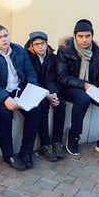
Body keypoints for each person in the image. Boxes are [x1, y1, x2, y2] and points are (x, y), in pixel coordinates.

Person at [56, 19, 99, 160]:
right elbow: (62, 77)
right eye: (80, 36)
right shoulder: (65, 49)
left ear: (92, 36)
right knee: (83, 97)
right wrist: (84, 84)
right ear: (74, 36)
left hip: (91, 89)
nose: (84, 40)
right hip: (70, 87)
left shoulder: (98, 52)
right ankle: (74, 136)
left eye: (88, 36)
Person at [0, 24, 42, 171]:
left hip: (19, 90)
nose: (4, 39)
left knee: (35, 111)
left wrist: (32, 92)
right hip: (0, 92)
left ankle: (26, 151)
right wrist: (4, 98)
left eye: (6, 35)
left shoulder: (19, 50)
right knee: (3, 115)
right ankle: (8, 155)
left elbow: (30, 73)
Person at [24, 31, 66, 162]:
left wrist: (53, 94)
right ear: (31, 46)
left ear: (47, 43)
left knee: (61, 104)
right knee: (42, 107)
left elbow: (52, 78)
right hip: (34, 90)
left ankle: (57, 142)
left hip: (50, 89)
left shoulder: (52, 57)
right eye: (36, 44)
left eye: (42, 43)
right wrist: (45, 94)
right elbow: (29, 79)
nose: (40, 47)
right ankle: (46, 144)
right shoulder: (27, 57)